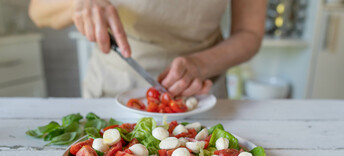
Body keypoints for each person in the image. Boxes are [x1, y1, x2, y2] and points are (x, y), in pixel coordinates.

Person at [29, 0, 266, 98]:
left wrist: (201, 64)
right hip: (113, 85)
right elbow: (37, 11)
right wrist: (76, 3)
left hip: (200, 87)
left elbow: (250, 34)